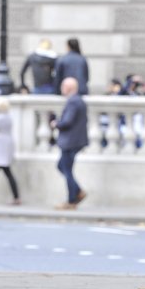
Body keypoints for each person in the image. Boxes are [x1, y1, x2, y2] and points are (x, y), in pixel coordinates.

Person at [51, 77, 88, 210]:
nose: (61, 88)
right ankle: (78, 191)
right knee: (62, 166)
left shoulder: (73, 102)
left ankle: (72, 200)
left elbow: (67, 122)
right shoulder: (79, 100)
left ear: (68, 87)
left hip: (70, 142)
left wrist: (56, 124)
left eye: (63, 85)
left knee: (66, 169)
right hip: (75, 141)